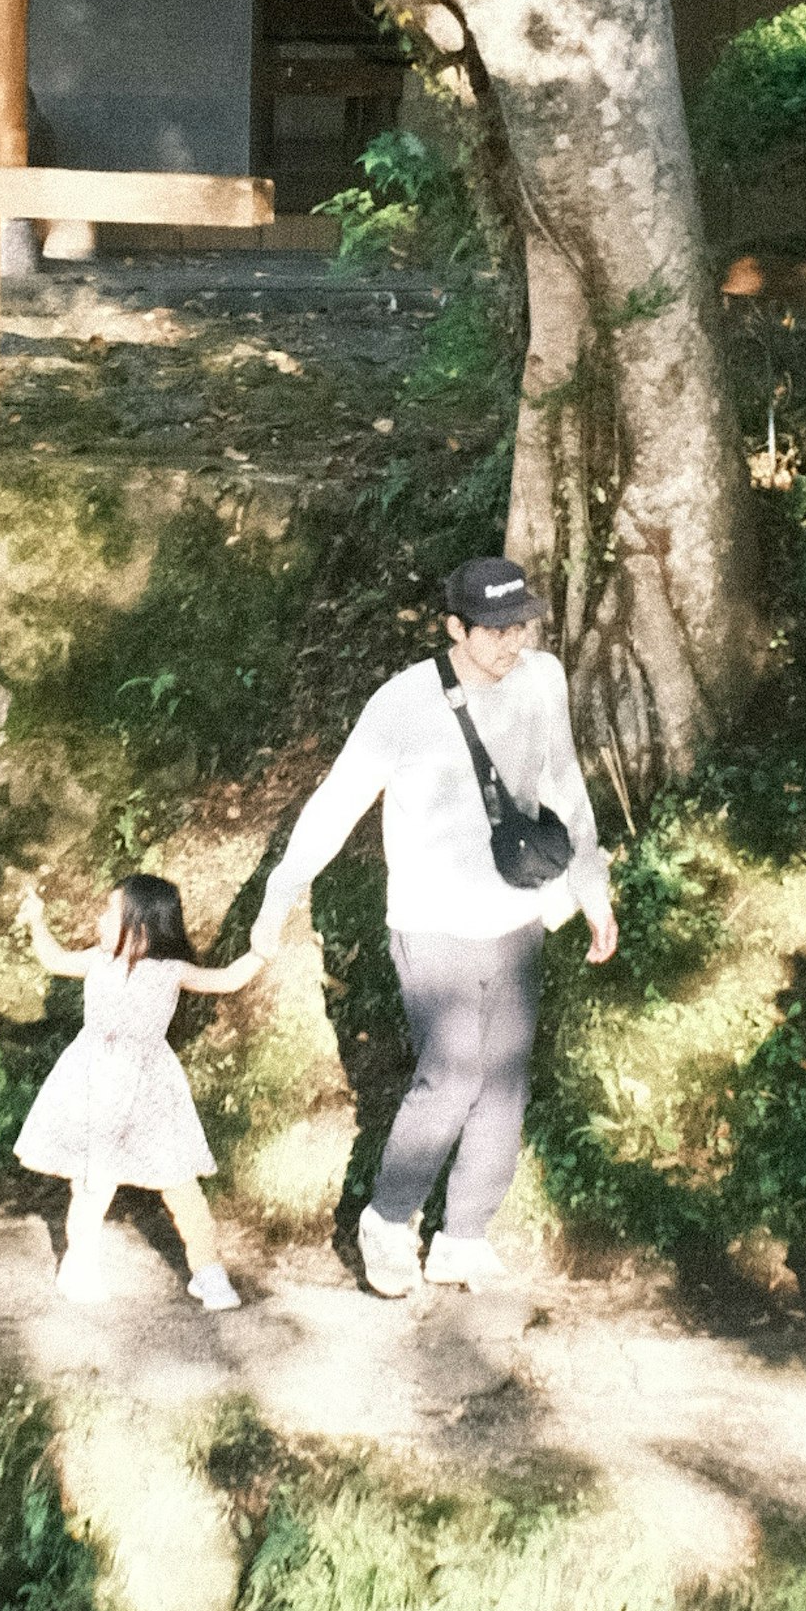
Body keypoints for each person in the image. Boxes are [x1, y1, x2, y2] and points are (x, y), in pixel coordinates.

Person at [250, 553, 613, 1298]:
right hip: (433, 918)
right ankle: (387, 1221)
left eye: (522, 625)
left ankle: (465, 1235)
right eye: (495, 630)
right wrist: (278, 896)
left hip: (517, 910)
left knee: (504, 1079)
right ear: (454, 627)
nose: (513, 643)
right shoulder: (402, 704)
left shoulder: (541, 679)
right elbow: (336, 801)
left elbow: (564, 782)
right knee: (450, 1076)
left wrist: (593, 887)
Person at [11, 871, 259, 1309]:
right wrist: (36, 920)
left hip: (151, 1089)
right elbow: (52, 958)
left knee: (180, 1180)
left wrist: (262, 952)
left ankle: (207, 1270)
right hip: (95, 1082)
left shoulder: (171, 971)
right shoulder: (95, 961)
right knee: (92, 1181)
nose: (99, 918)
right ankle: (79, 1264)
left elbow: (226, 979)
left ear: (142, 926)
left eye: (110, 911)